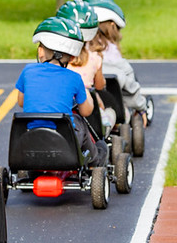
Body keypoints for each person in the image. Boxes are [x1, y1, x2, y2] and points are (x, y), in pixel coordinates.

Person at [15, 16, 108, 167]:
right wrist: (88, 96)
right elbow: (85, 111)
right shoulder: (74, 78)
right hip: (64, 141)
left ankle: (33, 168)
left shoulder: (28, 71)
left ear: (40, 52)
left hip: (31, 138)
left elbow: (21, 102)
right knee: (79, 121)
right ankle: (94, 159)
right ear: (71, 57)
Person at [76, 0, 149, 126]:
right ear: (113, 26)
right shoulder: (112, 59)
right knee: (123, 94)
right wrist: (141, 107)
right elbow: (131, 88)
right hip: (110, 107)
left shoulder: (78, 53)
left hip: (78, 107)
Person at [55, 0, 116, 134]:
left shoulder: (58, 60)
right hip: (88, 104)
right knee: (109, 113)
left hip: (62, 103)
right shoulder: (95, 58)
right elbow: (100, 86)